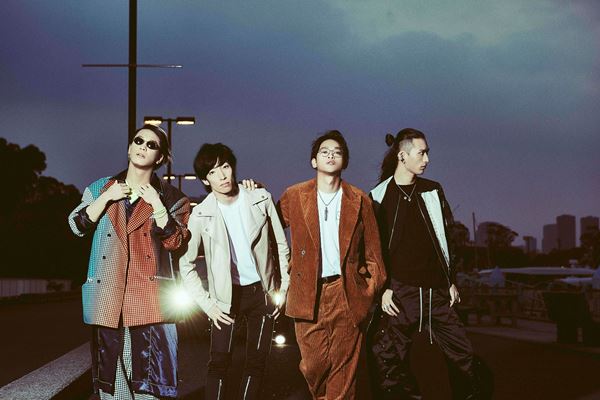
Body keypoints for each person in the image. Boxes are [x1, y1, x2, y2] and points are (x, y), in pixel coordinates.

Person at [68, 124, 191, 399]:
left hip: (148, 298)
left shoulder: (173, 198)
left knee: (148, 385)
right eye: (138, 141)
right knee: (113, 385)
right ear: (129, 147)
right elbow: (76, 226)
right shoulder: (100, 187)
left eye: (151, 145)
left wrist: (157, 205)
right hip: (109, 295)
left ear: (160, 157)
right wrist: (106, 198)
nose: (142, 147)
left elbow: (176, 242)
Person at [368, 128, 480, 399]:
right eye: (421, 153)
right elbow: (372, 249)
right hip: (400, 292)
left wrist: (450, 280)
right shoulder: (378, 196)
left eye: (427, 152)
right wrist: (382, 288)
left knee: (463, 356)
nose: (427, 159)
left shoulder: (432, 190)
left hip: (437, 292)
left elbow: (447, 238)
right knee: (388, 359)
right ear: (402, 156)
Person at [277, 130, 386, 399]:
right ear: (314, 160)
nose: (331, 155)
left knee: (343, 369)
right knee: (312, 365)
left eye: (337, 152)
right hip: (307, 292)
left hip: (346, 291)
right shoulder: (294, 195)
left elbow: (374, 253)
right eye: (324, 151)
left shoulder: (359, 199)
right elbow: (269, 229)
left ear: (344, 161)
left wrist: (368, 289)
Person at [179, 143, 290, 400]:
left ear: (233, 167)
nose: (222, 176)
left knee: (257, 363)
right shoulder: (201, 214)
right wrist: (208, 305)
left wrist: (283, 289)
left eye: (225, 167)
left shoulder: (260, 198)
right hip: (224, 298)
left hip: (261, 294)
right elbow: (186, 265)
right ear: (205, 180)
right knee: (218, 363)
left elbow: (281, 245)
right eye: (213, 172)